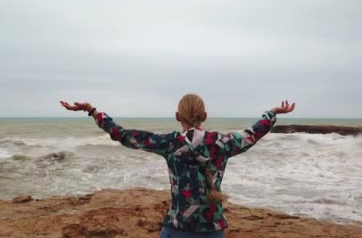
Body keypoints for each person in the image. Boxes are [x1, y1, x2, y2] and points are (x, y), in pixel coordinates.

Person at [60, 94, 296, 238]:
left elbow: (122, 135)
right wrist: (272, 113)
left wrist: (91, 110)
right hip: (213, 229)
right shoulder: (222, 143)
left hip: (177, 228)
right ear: (204, 115)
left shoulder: (170, 143)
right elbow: (253, 134)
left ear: (176, 116)